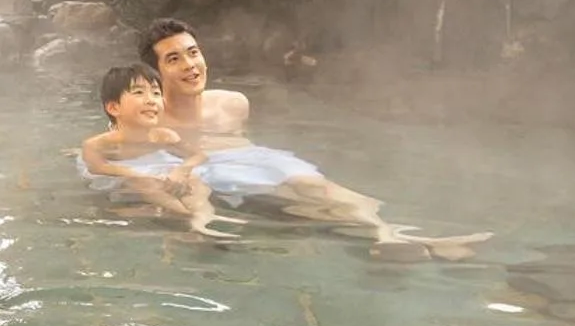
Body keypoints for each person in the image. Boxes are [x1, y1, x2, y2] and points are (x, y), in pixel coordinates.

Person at [140, 18, 490, 260]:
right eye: (174, 59)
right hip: (217, 171)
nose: (190, 65)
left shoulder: (234, 104)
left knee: (323, 192)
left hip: (259, 159)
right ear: (157, 73)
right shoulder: (152, 123)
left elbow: (252, 148)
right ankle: (393, 239)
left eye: (193, 52)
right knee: (307, 206)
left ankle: (389, 233)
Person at [80, 63, 245, 239]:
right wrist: (137, 175)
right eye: (139, 92)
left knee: (193, 179)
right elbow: (97, 168)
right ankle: (190, 217)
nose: (151, 100)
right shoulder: (98, 144)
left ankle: (204, 214)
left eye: (156, 93)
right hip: (124, 173)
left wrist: (181, 170)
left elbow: (199, 155)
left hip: (153, 166)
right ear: (114, 108)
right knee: (142, 183)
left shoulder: (164, 136)